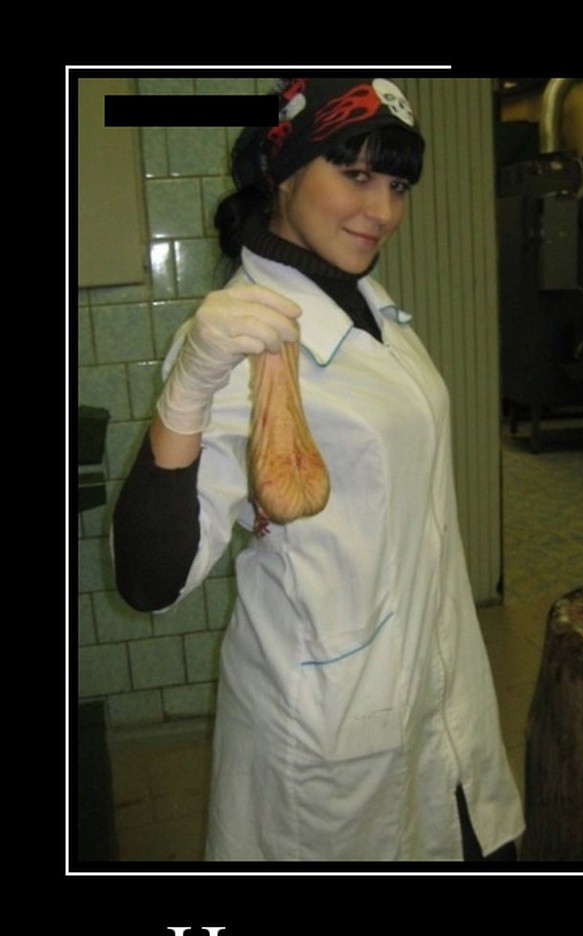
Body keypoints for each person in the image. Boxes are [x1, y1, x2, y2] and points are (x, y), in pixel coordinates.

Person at [113, 77, 524, 864]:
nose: (384, 210)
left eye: (397, 186)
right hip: (330, 725)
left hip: (440, 688)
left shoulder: (365, 298)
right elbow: (148, 581)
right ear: (284, 172)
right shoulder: (237, 342)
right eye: (356, 174)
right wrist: (186, 392)